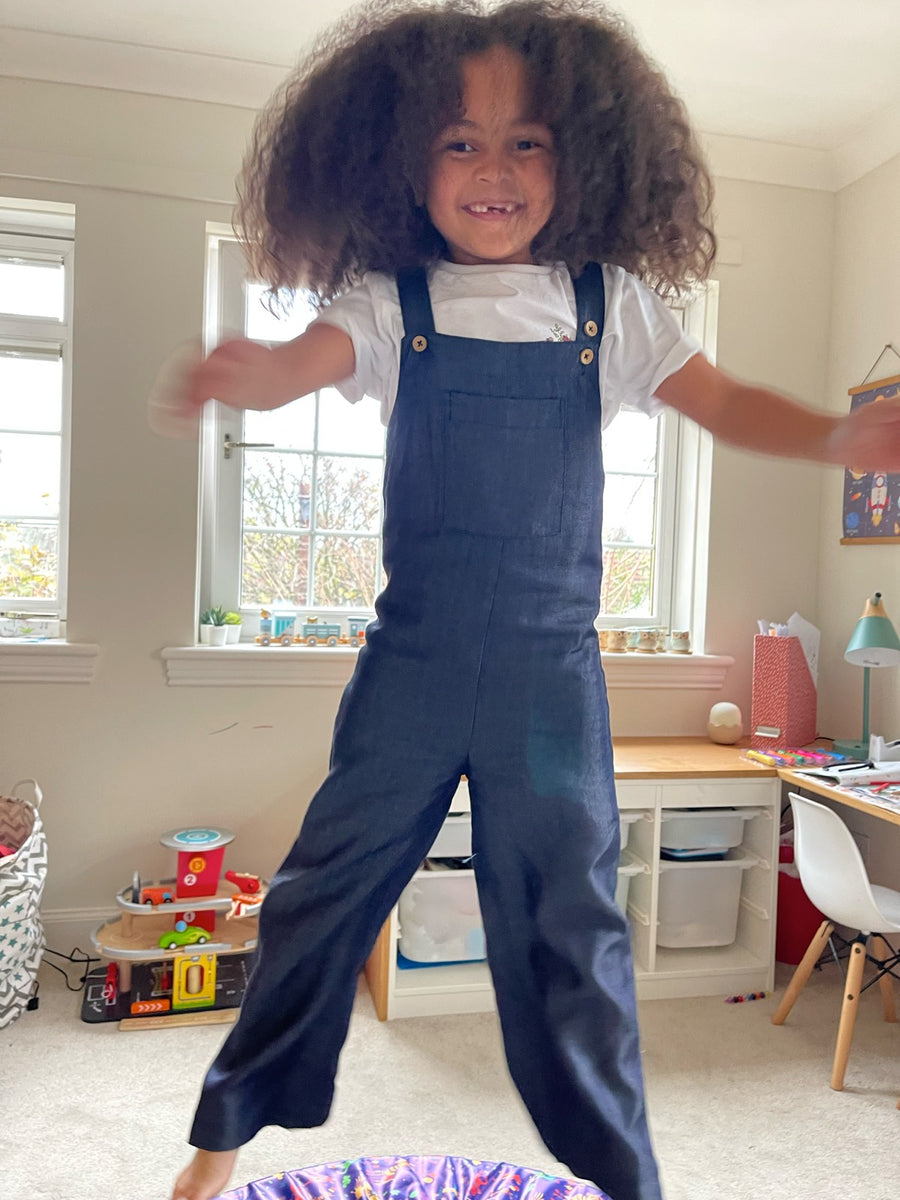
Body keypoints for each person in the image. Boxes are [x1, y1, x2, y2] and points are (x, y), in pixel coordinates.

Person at [162, 3, 900, 1199]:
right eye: (459, 142)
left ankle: (621, 1171)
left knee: (575, 919)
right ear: (406, 162)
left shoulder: (609, 307)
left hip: (550, 681)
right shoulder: (392, 302)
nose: (493, 171)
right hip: (410, 666)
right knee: (320, 892)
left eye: (527, 143)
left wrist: (836, 437)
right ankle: (217, 1146)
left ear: (584, 159)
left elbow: (724, 404)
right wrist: (260, 373)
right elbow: (307, 360)